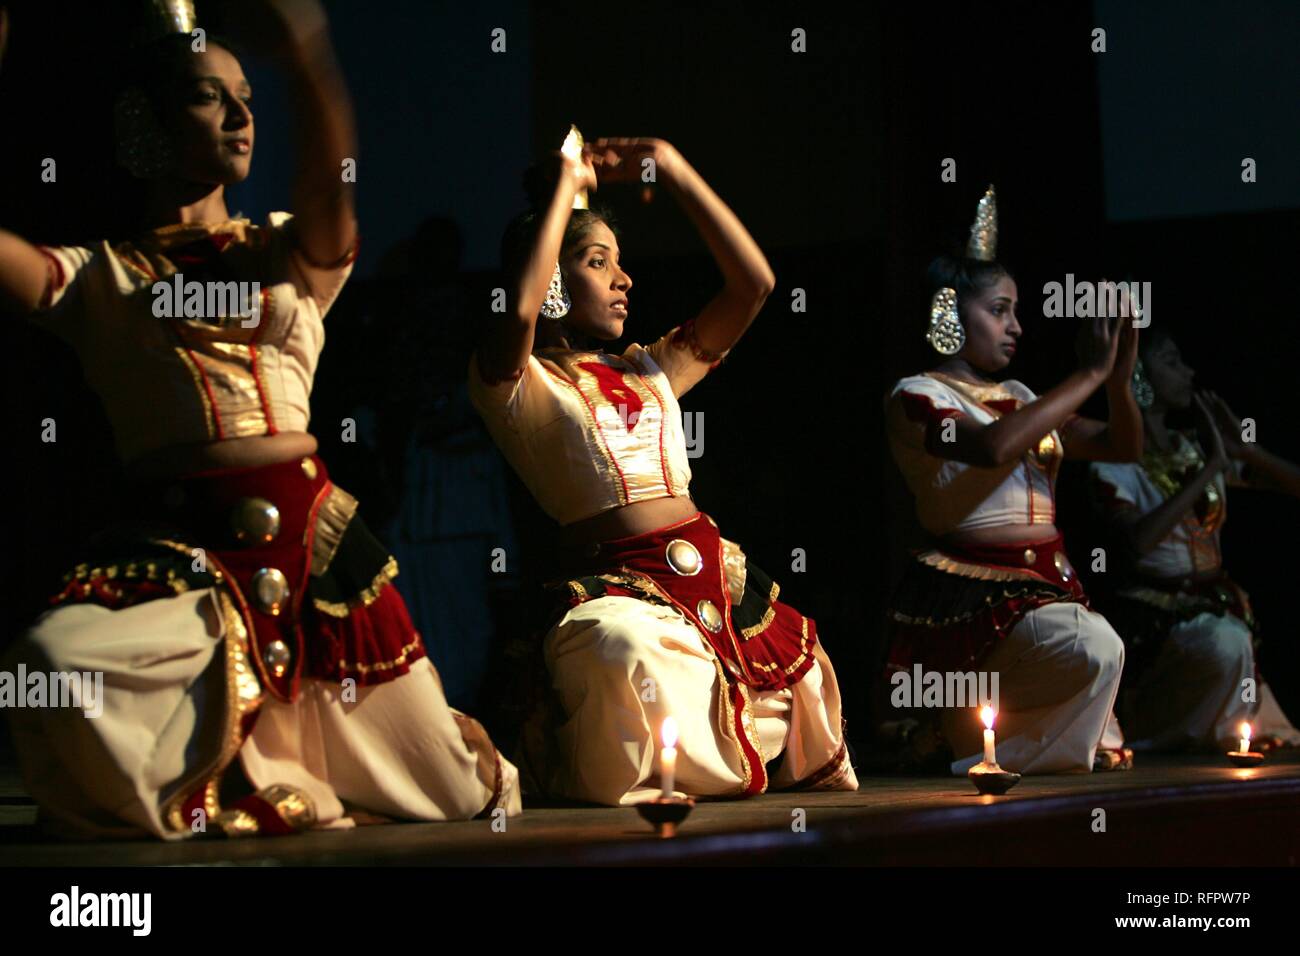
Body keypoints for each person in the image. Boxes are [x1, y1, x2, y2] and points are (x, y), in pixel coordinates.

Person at [0, 0, 519, 839]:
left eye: (249, 97)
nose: (242, 116)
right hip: (179, 560)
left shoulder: (284, 246)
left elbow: (327, 183)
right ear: (146, 123)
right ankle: (261, 787)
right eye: (211, 96)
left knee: (455, 795)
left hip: (320, 555)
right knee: (50, 668)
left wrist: (309, 54)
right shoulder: (97, 277)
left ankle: (315, 771)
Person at [467, 128, 857, 804]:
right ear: (552, 274)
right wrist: (567, 187)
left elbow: (754, 283)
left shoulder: (651, 368)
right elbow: (523, 306)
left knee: (804, 672)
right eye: (596, 262)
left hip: (710, 569)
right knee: (624, 651)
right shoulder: (514, 382)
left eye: (619, 261)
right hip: (618, 586)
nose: (625, 278)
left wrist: (673, 168)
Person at [883, 186, 1142, 775]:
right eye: (999, 310)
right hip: (977, 595)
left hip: (1045, 583)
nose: (1017, 327)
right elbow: (992, 446)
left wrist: (1118, 385)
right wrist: (1088, 373)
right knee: (1095, 649)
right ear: (948, 313)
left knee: (1095, 653)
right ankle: (969, 741)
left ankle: (975, 741)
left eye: (1016, 311)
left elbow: (1124, 447)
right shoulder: (915, 397)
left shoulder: (1023, 397)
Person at [1088, 329, 1300, 751]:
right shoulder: (1113, 461)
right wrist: (1209, 471)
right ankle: (1170, 737)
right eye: (1171, 362)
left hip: (1213, 602)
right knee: (1224, 642)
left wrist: (1249, 451)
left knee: (1229, 639)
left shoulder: (1194, 447)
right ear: (1140, 377)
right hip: (1153, 612)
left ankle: (1222, 735)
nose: (1188, 372)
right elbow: (1136, 543)